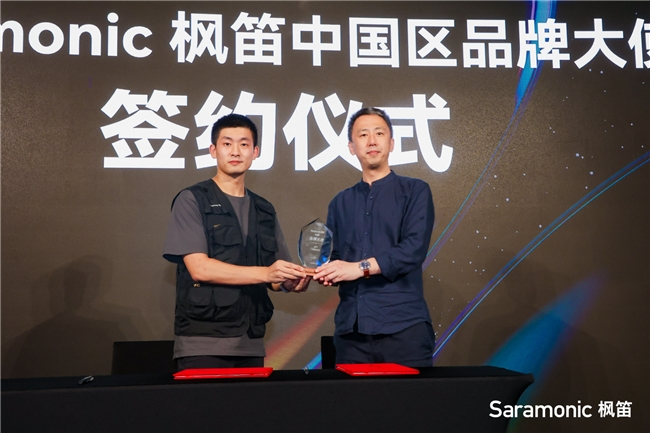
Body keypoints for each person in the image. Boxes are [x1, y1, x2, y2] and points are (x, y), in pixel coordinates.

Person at [163, 113, 309, 370]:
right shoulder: (192, 199)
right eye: (227, 143)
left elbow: (274, 276)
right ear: (213, 150)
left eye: (244, 144)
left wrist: (291, 281)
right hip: (202, 343)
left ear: (255, 152)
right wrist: (267, 273)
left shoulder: (264, 208)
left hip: (251, 342)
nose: (235, 151)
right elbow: (200, 268)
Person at [314, 107, 436, 367]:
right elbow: (335, 257)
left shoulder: (415, 191)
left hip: (403, 327)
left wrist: (359, 268)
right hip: (351, 332)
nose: (371, 141)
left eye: (379, 133)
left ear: (391, 143)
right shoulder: (340, 202)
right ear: (351, 147)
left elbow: (413, 249)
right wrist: (324, 271)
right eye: (363, 135)